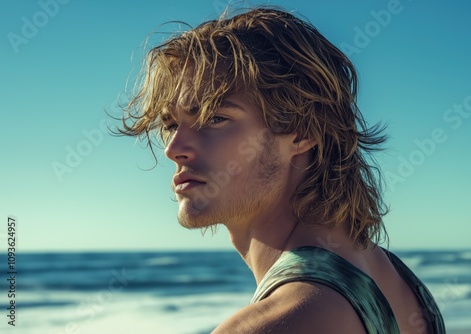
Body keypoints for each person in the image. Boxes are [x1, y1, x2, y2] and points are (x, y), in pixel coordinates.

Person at [117, 6, 445, 334]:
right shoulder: (402, 286)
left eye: (215, 118)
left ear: (302, 132)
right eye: (171, 124)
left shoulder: (277, 322)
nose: (174, 149)